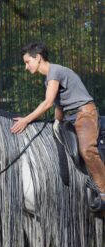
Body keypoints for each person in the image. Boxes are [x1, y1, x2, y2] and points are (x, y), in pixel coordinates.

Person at [11, 42, 105, 210]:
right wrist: (56, 122)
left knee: (87, 150)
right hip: (71, 118)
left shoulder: (55, 71)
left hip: (85, 114)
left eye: (27, 62)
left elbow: (47, 103)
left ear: (38, 58)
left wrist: (26, 119)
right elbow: (59, 106)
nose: (26, 67)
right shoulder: (48, 80)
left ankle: (104, 192)